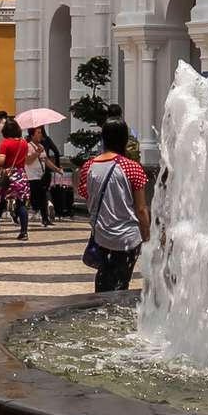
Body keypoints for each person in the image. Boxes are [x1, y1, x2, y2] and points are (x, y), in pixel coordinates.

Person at [82, 118, 149, 293]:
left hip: (102, 235)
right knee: (121, 283)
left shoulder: (89, 167)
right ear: (124, 139)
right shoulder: (132, 168)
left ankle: (101, 313)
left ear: (103, 138)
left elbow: (86, 196)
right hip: (128, 237)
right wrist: (147, 237)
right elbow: (141, 209)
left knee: (103, 279)